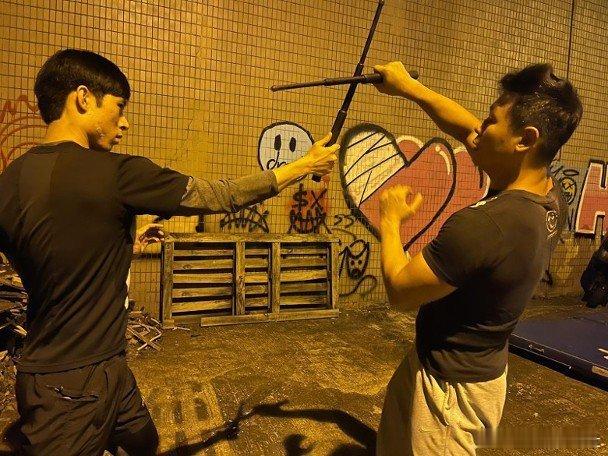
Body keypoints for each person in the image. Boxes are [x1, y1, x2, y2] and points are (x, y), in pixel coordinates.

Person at [0, 48, 338, 455]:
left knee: (143, 441)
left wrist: (123, 242)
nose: (124, 122)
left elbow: (53, 250)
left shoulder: (11, 180)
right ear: (84, 98)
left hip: (84, 370)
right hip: (72, 385)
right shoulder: (116, 173)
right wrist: (303, 166)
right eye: (119, 106)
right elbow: (219, 196)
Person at [371, 61, 582, 455]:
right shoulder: (550, 195)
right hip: (472, 368)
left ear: (525, 140)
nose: (478, 129)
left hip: (448, 394)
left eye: (490, 121)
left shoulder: (488, 225)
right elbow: (464, 128)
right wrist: (408, 87)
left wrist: (390, 220)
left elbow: (400, 290)